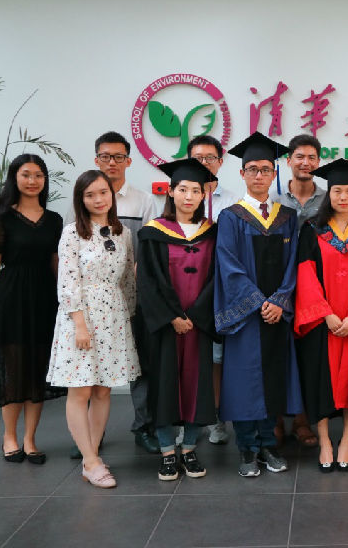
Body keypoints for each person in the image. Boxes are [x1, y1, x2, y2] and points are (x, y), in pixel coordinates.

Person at [214, 132, 303, 478]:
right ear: (242, 174)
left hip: (277, 315)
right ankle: (247, 448)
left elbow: (294, 265)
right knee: (245, 381)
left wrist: (280, 300)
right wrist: (258, 302)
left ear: (274, 173)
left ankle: (268, 444)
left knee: (272, 379)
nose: (259, 175)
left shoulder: (287, 217)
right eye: (252, 169)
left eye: (265, 169)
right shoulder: (231, 217)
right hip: (247, 316)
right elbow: (228, 264)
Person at [47, 170, 140, 488]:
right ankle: (89, 461)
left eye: (103, 192)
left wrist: (128, 317)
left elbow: (127, 280)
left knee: (103, 389)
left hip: (113, 316)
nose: (98, 199)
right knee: (81, 388)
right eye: (90, 195)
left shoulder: (123, 233)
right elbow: (67, 281)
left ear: (111, 195)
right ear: (81, 200)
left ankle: (93, 453)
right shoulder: (72, 233)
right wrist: (79, 325)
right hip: (81, 316)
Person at [294, 159, 348, 472]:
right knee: (320, 380)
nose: (343, 197)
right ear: (328, 194)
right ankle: (325, 441)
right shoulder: (311, 230)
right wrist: (325, 314)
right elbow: (305, 274)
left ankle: (345, 440)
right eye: (337, 191)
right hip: (323, 322)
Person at [136, 159, 221, 481]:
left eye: (195, 191)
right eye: (183, 189)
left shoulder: (212, 233)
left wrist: (196, 315)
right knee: (164, 386)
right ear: (171, 192)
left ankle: (189, 448)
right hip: (166, 326)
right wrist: (172, 316)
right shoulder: (153, 233)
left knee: (196, 387)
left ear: (203, 195)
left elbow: (217, 278)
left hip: (198, 325)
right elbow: (147, 281)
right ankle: (167, 452)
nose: (189, 196)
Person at [0, 154, 65, 464]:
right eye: (26, 174)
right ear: (14, 178)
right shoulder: (1, 218)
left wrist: (67, 303)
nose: (32, 181)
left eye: (38, 175)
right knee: (13, 370)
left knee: (38, 371)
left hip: (45, 299)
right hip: (11, 299)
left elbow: (57, 265)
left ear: (45, 180)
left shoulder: (54, 220)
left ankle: (30, 439)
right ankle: (10, 436)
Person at [92, 131, 160, 455]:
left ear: (128, 161)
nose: (112, 162)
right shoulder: (85, 199)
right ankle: (92, 434)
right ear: (97, 160)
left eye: (118, 157)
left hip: (134, 297)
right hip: (95, 300)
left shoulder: (143, 201)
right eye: (106, 156)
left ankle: (143, 426)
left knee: (140, 363)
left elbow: (151, 248)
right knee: (94, 366)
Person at [274, 133, 326, 449]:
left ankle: (303, 421)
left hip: (316, 287)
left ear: (318, 162)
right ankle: (277, 420)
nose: (305, 163)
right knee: (280, 354)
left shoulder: (328, 200)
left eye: (311, 157)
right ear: (289, 160)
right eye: (299, 157)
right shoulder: (274, 200)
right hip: (279, 286)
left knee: (308, 355)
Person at [188, 134, 238, 446]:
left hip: (220, 289)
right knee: (188, 357)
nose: (204, 163)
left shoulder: (233, 202)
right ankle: (188, 419)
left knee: (216, 359)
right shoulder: (178, 200)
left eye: (210, 158)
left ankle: (217, 418)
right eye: (197, 158)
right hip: (186, 288)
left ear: (220, 162)